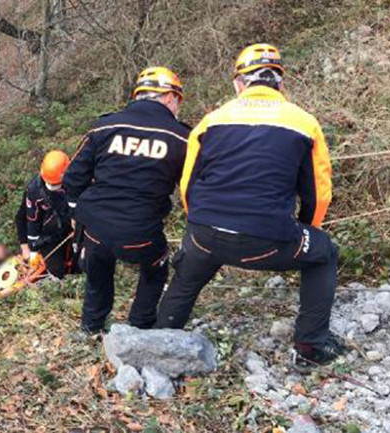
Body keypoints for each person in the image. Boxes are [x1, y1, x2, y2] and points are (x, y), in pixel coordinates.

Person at [154, 44, 345, 365]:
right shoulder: (304, 123)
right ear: (280, 84)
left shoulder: (210, 121)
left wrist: (201, 224)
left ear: (238, 84)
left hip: (205, 233)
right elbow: (318, 194)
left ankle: (161, 336)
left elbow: (188, 186)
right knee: (324, 252)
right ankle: (311, 345)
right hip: (268, 239)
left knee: (188, 274)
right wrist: (305, 233)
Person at [63, 67, 189, 333]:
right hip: (142, 231)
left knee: (98, 274)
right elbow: (192, 188)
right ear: (168, 97)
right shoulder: (181, 137)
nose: (178, 107)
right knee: (156, 268)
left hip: (96, 227)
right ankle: (140, 323)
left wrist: (76, 213)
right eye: (177, 100)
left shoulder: (105, 126)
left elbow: (73, 178)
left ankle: (91, 326)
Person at [15, 150, 75, 278]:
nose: (52, 187)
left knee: (85, 263)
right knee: (56, 271)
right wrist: (31, 249)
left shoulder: (78, 181)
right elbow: (29, 219)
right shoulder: (35, 190)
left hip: (75, 228)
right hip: (51, 234)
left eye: (56, 184)